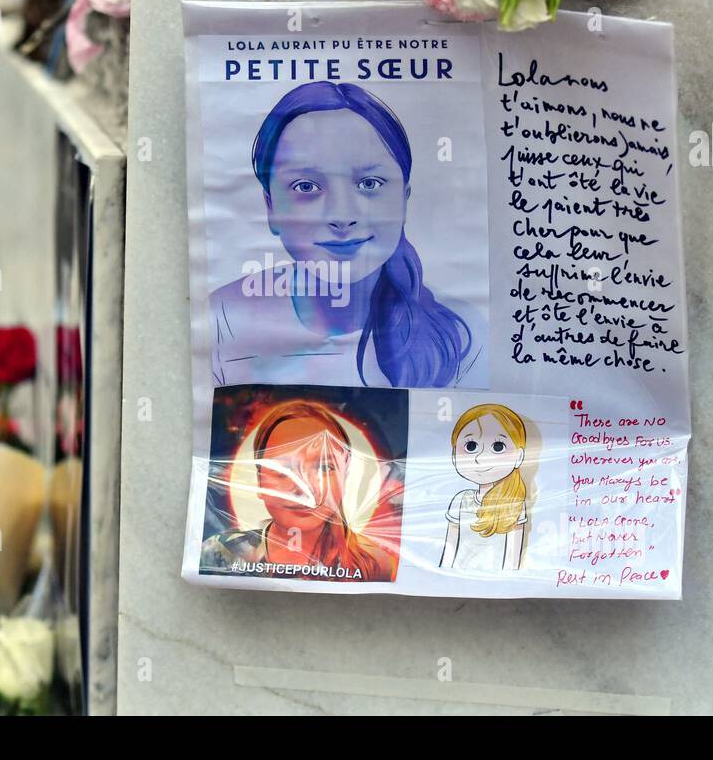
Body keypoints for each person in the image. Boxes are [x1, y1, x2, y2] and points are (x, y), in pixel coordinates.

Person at [210, 81, 486, 389]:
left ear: (404, 197)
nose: (342, 216)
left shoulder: (459, 335)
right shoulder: (222, 321)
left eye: (369, 184)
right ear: (271, 207)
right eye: (306, 187)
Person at [200, 400, 400, 582]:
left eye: (323, 468)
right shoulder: (220, 553)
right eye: (283, 470)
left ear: (344, 479)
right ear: (259, 481)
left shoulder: (372, 563)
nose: (305, 488)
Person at [439, 403, 531, 572]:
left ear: (519, 456)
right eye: (471, 446)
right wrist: (442, 575)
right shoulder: (461, 500)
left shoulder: (515, 503)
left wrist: (506, 584)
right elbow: (450, 546)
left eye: (498, 447)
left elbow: (513, 557)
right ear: (454, 455)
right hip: (458, 582)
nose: (481, 458)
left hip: (496, 585)